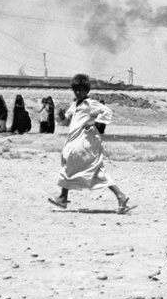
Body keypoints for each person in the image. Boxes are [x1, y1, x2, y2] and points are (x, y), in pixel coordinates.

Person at [47, 74, 136, 214]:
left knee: (69, 163)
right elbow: (67, 122)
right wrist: (62, 116)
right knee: (97, 171)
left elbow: (107, 112)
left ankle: (63, 198)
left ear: (86, 90)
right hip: (74, 139)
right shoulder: (74, 105)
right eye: (76, 90)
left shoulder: (91, 103)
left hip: (85, 142)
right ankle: (121, 196)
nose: (78, 92)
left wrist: (94, 122)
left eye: (81, 90)